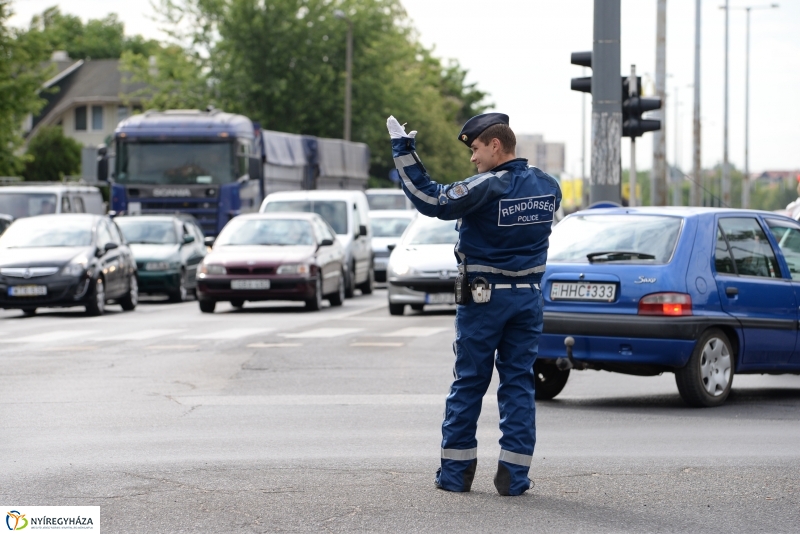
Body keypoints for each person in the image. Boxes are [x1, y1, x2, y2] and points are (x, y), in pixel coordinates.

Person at [386, 113, 561, 496]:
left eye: (476, 149)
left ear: (496, 146)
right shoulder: (549, 186)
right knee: (519, 384)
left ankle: (455, 475)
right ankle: (514, 478)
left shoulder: (489, 185)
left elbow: (433, 200)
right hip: (528, 298)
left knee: (469, 382)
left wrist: (403, 151)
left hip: (485, 300)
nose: (473, 158)